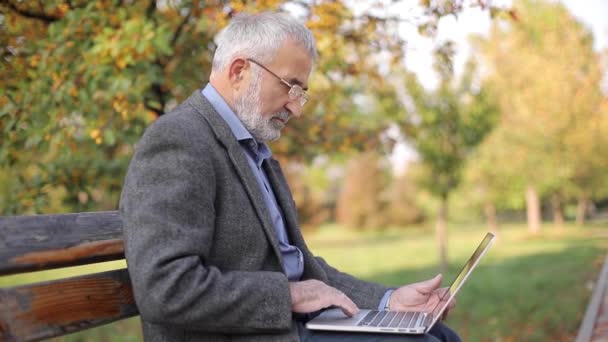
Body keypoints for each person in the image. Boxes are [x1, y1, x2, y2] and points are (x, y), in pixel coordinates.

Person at [120, 11, 461, 342]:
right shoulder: (179, 140)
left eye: (302, 94)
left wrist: (390, 300)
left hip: (294, 328)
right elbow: (165, 287)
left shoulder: (253, 151)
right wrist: (289, 295)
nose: (296, 108)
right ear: (239, 71)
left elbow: (305, 271)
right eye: (291, 87)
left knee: (437, 333)